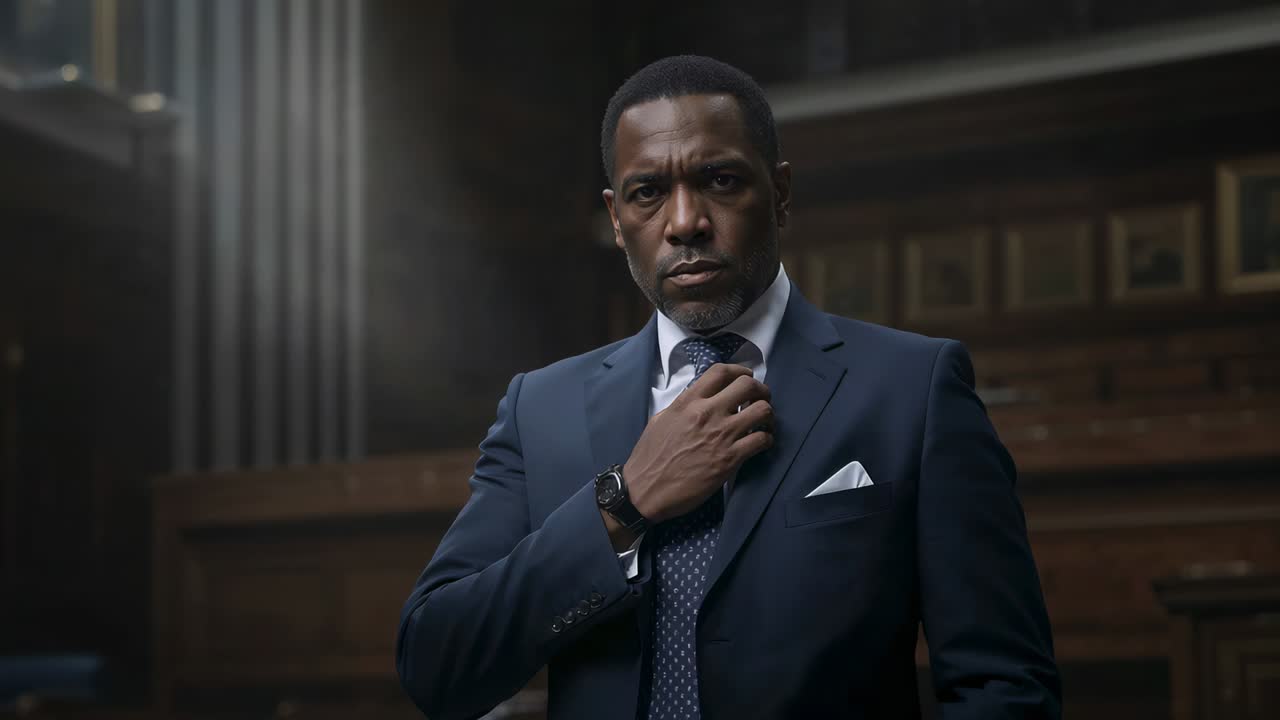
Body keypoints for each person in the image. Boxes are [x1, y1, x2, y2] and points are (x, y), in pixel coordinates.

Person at [396, 55, 1061, 720]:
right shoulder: (538, 410)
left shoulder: (914, 390)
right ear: (618, 216)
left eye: (719, 180)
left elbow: (1003, 686)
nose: (685, 221)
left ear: (780, 192)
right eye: (648, 192)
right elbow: (437, 665)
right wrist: (623, 503)